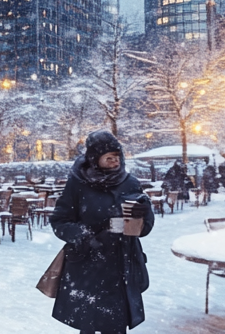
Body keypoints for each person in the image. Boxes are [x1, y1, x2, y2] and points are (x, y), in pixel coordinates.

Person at [50, 130, 154, 334]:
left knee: (116, 324)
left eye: (118, 157)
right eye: (109, 158)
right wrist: (84, 236)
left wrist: (145, 213)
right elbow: (59, 221)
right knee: (88, 323)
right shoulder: (78, 184)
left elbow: (144, 228)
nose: (116, 162)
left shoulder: (130, 182)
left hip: (121, 264)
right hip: (88, 266)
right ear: (95, 159)